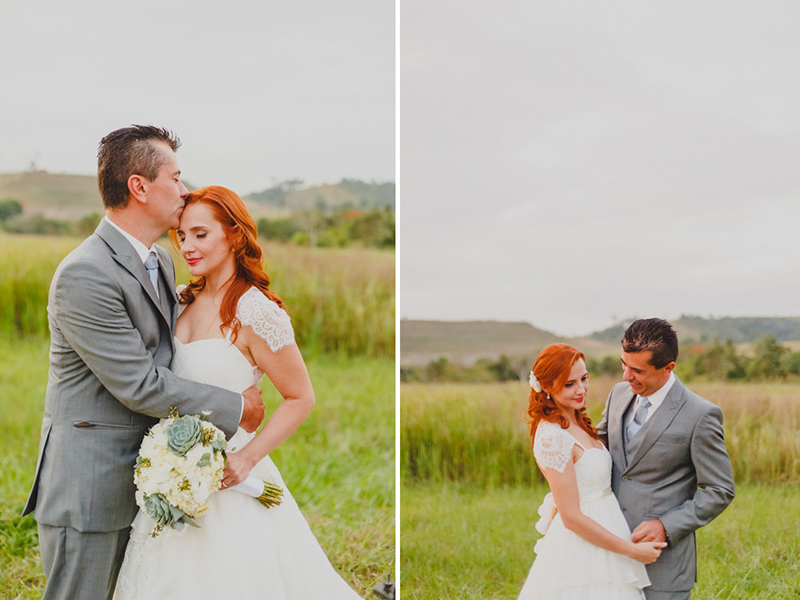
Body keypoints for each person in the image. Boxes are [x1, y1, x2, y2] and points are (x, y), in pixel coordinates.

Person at [22, 126, 266, 600]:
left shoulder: (159, 261)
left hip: (145, 479)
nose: (185, 189)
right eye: (175, 177)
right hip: (89, 489)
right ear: (139, 186)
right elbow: (139, 385)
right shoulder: (85, 273)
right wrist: (236, 406)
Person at [114, 185, 364, 599]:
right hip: (173, 473)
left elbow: (301, 397)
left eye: (200, 234)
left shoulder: (256, 311)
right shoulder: (179, 302)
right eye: (181, 236)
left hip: (231, 474)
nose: (186, 247)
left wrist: (247, 458)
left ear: (233, 235)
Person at [596, 318, 735, 600]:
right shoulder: (618, 394)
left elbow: (720, 490)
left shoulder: (701, 415)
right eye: (623, 364)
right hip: (608, 553)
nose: (626, 376)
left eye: (637, 370)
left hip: (663, 567)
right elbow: (596, 446)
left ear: (668, 368)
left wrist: (666, 526)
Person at [518, 343, 666, 600]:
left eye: (584, 378)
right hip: (583, 544)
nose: (581, 389)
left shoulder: (576, 421)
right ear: (546, 387)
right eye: (569, 384)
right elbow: (571, 517)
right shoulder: (552, 436)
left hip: (609, 525)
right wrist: (631, 551)